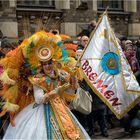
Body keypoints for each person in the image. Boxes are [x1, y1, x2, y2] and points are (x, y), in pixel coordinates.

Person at [0, 31, 90, 139]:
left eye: (50, 63)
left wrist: (73, 80)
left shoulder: (61, 74)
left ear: (54, 62)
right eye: (45, 64)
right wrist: (55, 92)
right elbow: (39, 100)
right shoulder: (38, 79)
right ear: (40, 66)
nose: (48, 66)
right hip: (41, 110)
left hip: (61, 109)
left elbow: (70, 92)